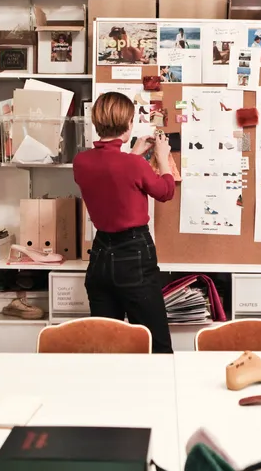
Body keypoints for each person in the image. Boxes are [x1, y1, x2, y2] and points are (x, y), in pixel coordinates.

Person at [73, 91, 175, 353]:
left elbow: (112, 171)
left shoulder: (81, 162)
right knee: (156, 344)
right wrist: (163, 158)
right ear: (129, 124)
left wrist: (133, 154)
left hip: (100, 256)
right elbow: (165, 191)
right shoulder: (133, 165)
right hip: (134, 253)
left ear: (96, 122)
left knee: (107, 346)